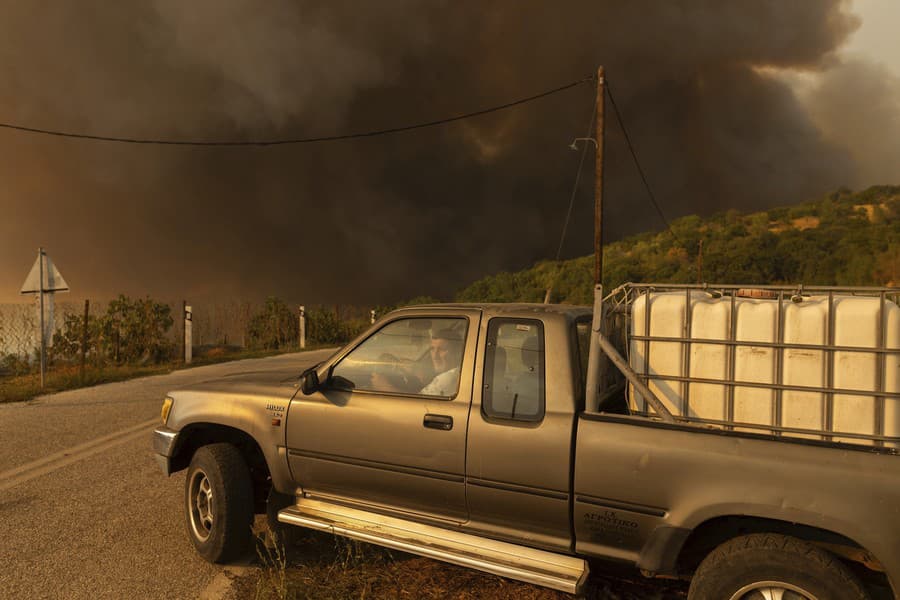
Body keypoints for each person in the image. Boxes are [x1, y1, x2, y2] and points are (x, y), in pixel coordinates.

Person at [418, 328, 464, 395]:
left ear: (456, 352)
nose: (434, 356)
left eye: (442, 349)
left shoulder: (447, 379)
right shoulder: (459, 372)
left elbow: (412, 402)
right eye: (432, 349)